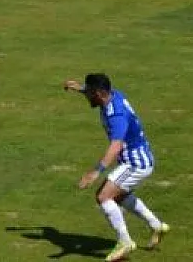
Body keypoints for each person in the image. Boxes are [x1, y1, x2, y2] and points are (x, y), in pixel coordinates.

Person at [63, 74, 169, 261]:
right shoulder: (113, 95)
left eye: (89, 93)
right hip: (138, 158)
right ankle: (157, 226)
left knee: (103, 196)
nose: (87, 97)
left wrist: (96, 171)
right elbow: (97, 92)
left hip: (135, 163)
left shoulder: (116, 116)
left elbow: (116, 146)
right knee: (119, 196)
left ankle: (125, 242)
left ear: (98, 94)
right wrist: (79, 88)